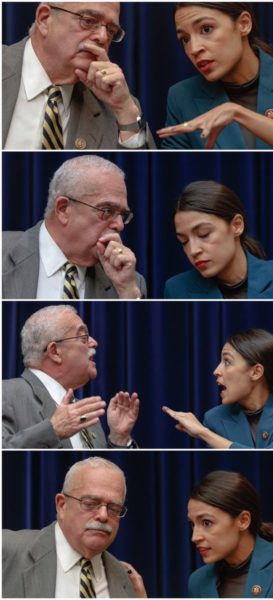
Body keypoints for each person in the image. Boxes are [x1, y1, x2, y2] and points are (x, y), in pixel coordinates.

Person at [3, 2, 155, 149]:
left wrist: (126, 112)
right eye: (88, 21)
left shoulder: (119, 105)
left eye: (110, 30)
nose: (102, 37)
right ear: (44, 19)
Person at [3, 155, 146, 299]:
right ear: (63, 209)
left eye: (123, 215)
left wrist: (127, 291)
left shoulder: (130, 283)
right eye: (107, 211)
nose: (120, 225)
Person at [157, 3, 273, 149]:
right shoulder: (181, 97)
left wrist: (237, 113)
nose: (194, 49)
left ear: (244, 24)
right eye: (185, 39)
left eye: (206, 29)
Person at [2, 457, 145, 598]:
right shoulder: (7, 550)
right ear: (61, 505)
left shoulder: (126, 581)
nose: (103, 515)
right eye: (90, 503)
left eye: (113, 508)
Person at [3, 304, 140, 449]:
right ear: (55, 352)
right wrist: (52, 430)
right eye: (83, 337)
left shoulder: (85, 414)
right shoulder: (6, 393)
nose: (94, 343)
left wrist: (118, 439)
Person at [163, 329, 273, 448]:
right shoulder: (214, 419)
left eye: (227, 362)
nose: (216, 371)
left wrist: (203, 432)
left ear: (256, 372)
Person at [164, 181, 273, 299]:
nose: (193, 250)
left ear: (237, 225)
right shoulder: (176, 289)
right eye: (184, 241)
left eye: (204, 234)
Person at [187, 471, 273, 597]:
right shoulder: (197, 582)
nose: (195, 537)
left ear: (243, 520)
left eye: (207, 523)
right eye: (192, 524)